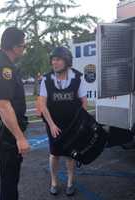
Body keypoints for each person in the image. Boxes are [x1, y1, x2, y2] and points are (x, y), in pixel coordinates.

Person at [0, 27, 30, 200]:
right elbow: (3, 105)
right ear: (15, 46)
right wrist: (20, 137)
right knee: (10, 177)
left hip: (2, 129)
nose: (24, 49)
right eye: (23, 46)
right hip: (6, 131)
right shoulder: (2, 66)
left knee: (9, 176)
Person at [39, 46, 87, 196]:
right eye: (53, 60)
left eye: (58, 59)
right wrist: (52, 125)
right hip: (54, 124)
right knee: (55, 154)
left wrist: (79, 124)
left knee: (70, 154)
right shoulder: (46, 80)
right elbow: (42, 104)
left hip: (72, 125)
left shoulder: (77, 78)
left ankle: (70, 182)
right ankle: (53, 181)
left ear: (66, 61)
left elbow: (84, 102)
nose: (54, 62)